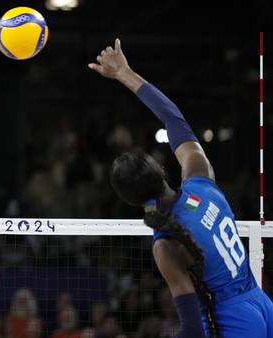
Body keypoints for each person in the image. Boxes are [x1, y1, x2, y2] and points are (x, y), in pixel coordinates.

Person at [90, 38, 273, 337]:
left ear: (129, 200)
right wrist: (125, 73)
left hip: (235, 323)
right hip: (262, 305)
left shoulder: (165, 245)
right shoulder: (201, 180)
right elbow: (173, 118)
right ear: (162, 170)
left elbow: (192, 329)